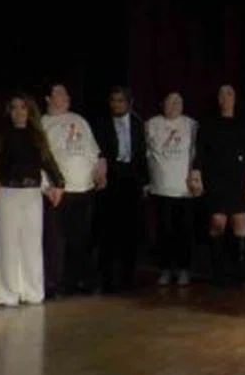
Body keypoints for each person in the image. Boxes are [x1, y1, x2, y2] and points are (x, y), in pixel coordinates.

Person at [0, 94, 66, 306]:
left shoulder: (36, 135)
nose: (19, 112)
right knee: (7, 244)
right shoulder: (1, 133)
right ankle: (8, 293)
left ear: (30, 111)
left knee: (31, 244)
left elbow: (48, 160)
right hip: (7, 192)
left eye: (23, 108)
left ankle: (32, 291)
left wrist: (60, 183)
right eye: (14, 108)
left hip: (31, 193)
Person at [189, 84, 245, 286]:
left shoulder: (244, 124)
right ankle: (218, 272)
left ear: (235, 98)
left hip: (239, 180)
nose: (226, 97)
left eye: (229, 94)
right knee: (217, 223)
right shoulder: (209, 124)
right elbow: (200, 152)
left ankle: (239, 274)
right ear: (218, 99)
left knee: (240, 225)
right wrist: (196, 174)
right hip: (216, 180)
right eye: (222, 94)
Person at [41, 83, 101, 296]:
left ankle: (79, 280)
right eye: (59, 94)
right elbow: (41, 160)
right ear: (48, 99)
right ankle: (55, 283)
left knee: (81, 238)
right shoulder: (43, 123)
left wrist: (99, 172)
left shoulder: (80, 120)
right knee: (56, 240)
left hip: (84, 188)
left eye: (66, 94)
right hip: (59, 191)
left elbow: (93, 151)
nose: (65, 97)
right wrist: (47, 187)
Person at [91, 86, 150, 293]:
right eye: (113, 100)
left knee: (130, 231)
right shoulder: (101, 124)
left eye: (120, 100)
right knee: (108, 231)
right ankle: (107, 279)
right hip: (111, 179)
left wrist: (145, 182)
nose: (116, 105)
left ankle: (128, 279)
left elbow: (142, 154)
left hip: (131, 180)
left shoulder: (138, 123)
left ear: (129, 103)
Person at [145, 92, 198, 286]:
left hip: (184, 189)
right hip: (161, 187)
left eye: (179, 101)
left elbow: (197, 153)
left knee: (184, 232)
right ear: (163, 104)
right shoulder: (152, 124)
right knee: (164, 232)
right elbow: (145, 153)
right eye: (171, 101)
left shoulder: (191, 124)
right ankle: (165, 269)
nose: (175, 105)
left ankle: (184, 269)